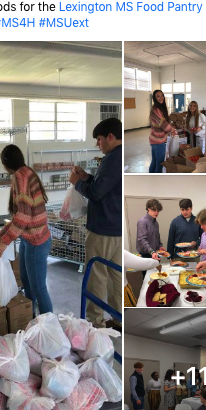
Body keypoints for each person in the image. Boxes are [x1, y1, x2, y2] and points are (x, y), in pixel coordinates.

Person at [69, 118, 122, 328]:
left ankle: (96, 323)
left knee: (97, 276)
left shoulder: (111, 159)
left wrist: (78, 184)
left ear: (110, 136)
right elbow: (106, 186)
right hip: (116, 230)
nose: (98, 144)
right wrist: (87, 177)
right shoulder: (117, 158)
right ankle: (118, 317)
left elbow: (97, 193)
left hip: (102, 229)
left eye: (99, 139)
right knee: (115, 275)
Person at [0, 145, 52, 315]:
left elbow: (24, 217)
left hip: (37, 241)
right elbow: (22, 214)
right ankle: (33, 320)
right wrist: (5, 230)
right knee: (27, 283)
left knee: (39, 288)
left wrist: (5, 242)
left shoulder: (21, 176)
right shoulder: (25, 172)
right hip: (29, 239)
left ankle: (48, 327)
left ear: (6, 163)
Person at [149, 90, 177, 173]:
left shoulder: (158, 108)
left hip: (154, 140)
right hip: (158, 141)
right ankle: (157, 182)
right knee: (159, 163)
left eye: (162, 95)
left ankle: (151, 180)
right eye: (158, 96)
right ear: (154, 98)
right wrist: (172, 129)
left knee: (154, 162)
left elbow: (163, 123)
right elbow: (163, 124)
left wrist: (170, 128)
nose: (161, 98)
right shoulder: (156, 109)